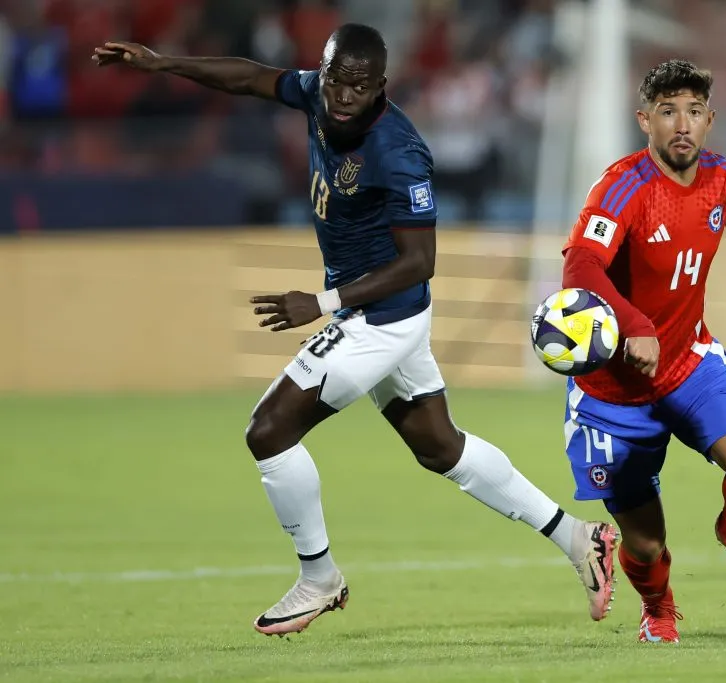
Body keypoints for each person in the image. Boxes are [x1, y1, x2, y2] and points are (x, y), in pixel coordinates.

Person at [92, 24, 617, 636]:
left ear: (381, 88)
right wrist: (162, 64)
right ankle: (580, 537)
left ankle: (319, 578)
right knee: (440, 446)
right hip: (381, 313)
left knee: (268, 431)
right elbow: (250, 76)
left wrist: (320, 301)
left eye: (360, 87)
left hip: (380, 317)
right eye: (337, 81)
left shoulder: (397, 151)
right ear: (324, 72)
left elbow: (421, 262)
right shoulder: (317, 92)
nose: (344, 96)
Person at [559, 59, 726, 644]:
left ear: (709, 120)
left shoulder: (720, 178)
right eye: (667, 111)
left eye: (692, 111)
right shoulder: (621, 187)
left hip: (687, 362)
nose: (681, 123)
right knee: (644, 541)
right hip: (612, 394)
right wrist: (633, 323)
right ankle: (658, 609)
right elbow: (580, 267)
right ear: (645, 121)